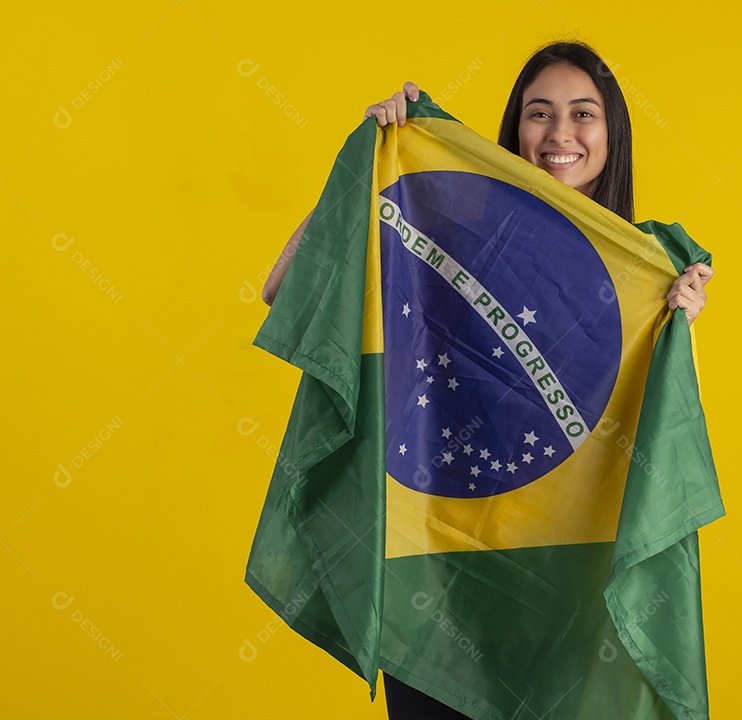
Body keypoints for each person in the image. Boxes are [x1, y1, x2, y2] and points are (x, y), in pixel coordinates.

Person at [261, 39, 713, 719]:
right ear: (516, 130)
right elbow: (283, 287)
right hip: (439, 585)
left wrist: (679, 324)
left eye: (583, 114)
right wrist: (367, 167)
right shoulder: (448, 231)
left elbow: (657, 443)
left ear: (612, 135)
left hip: (564, 595)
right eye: (540, 114)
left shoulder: (647, 272)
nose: (560, 134)